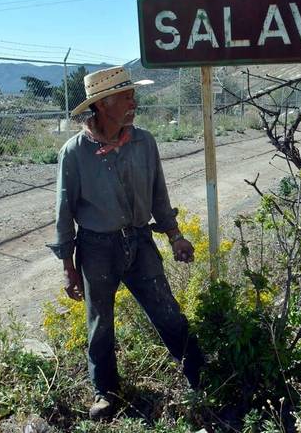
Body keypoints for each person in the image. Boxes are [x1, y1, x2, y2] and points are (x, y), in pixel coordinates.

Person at [47, 66, 205, 420]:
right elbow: (64, 212)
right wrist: (68, 267)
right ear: (102, 105)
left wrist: (175, 235)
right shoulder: (75, 153)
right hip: (96, 248)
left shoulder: (144, 142)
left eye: (133, 95)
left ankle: (199, 374)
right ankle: (105, 391)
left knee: (167, 310)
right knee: (99, 323)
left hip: (139, 240)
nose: (134, 102)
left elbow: (159, 195)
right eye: (126, 96)